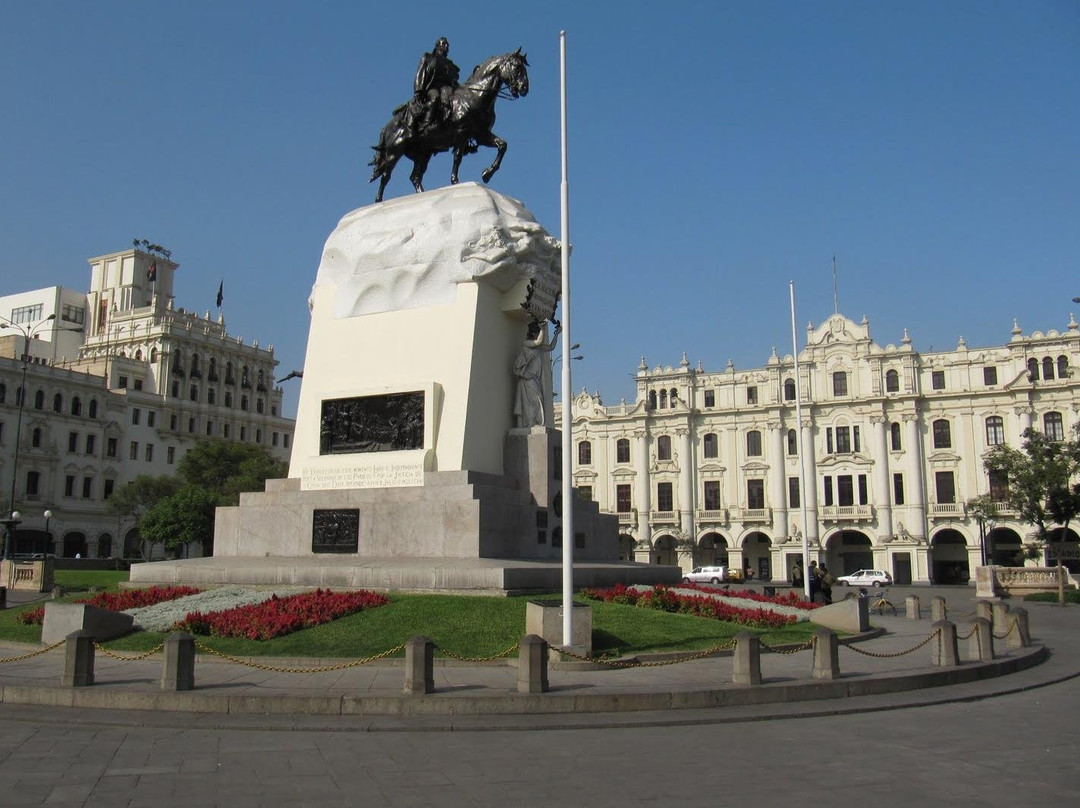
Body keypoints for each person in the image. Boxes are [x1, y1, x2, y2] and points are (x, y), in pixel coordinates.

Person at [407, 37, 461, 136]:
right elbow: (420, 73)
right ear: (437, 45)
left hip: (446, 88)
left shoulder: (450, 64)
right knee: (435, 96)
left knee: (454, 100)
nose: (446, 46)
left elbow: (454, 80)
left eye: (447, 45)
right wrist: (418, 90)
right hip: (432, 87)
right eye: (443, 44)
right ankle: (427, 124)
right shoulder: (428, 57)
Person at [513, 319, 560, 428]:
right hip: (527, 378)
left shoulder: (537, 348)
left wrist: (557, 333)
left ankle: (533, 422)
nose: (539, 334)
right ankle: (530, 422)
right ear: (534, 333)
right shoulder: (527, 343)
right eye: (537, 332)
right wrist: (542, 328)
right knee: (534, 400)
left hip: (534, 379)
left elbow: (551, 347)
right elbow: (538, 341)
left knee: (536, 400)